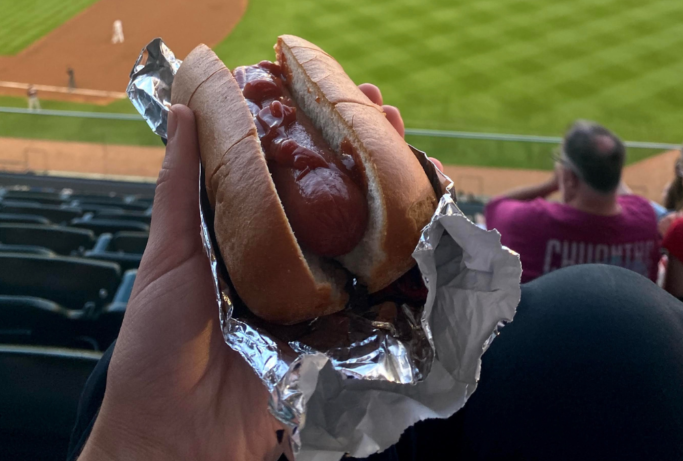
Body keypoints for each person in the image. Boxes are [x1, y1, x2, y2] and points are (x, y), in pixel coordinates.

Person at [68, 104, 683, 461]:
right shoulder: (652, 225)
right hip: (505, 384)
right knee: (616, 322)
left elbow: (501, 214)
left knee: (107, 375)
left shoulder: (524, 217)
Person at [485, 120, 660, 283]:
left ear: (570, 178)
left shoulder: (530, 221)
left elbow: (495, 206)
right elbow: (629, 198)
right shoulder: (646, 218)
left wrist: (551, 185)